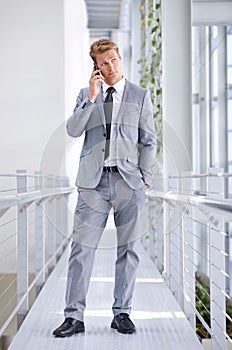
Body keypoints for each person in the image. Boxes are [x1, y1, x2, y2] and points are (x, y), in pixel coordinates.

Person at [53, 38, 156, 337]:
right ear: (95, 68)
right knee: (81, 249)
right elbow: (73, 129)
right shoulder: (87, 94)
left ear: (120, 58)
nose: (109, 67)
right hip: (93, 183)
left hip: (129, 182)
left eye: (112, 60)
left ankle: (122, 313)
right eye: (102, 64)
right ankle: (74, 316)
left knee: (129, 250)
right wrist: (92, 96)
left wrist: (145, 177)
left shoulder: (139, 95)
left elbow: (148, 140)